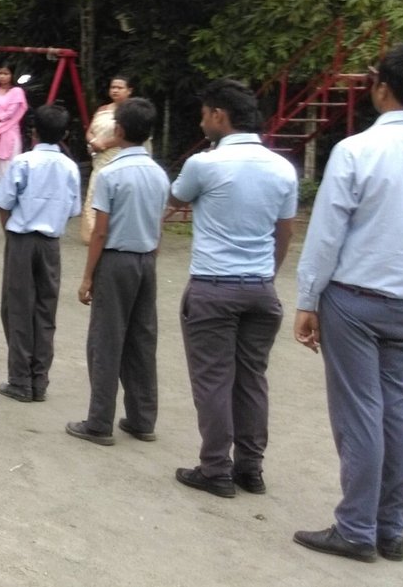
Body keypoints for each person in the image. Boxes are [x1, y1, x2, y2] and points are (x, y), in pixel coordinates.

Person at [290, 44, 403, 563]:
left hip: (354, 299)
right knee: (398, 410)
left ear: (382, 87)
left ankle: (356, 528)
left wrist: (308, 299)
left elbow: (326, 235)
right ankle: (392, 527)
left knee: (359, 413)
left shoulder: (357, 150)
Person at [169, 79, 297, 499]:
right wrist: (266, 275)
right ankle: (250, 468)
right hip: (260, 289)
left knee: (213, 380)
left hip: (213, 287)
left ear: (219, 116)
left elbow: (177, 198)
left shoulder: (204, 164)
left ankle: (215, 469)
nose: (201, 122)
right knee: (252, 380)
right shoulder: (282, 168)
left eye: (204, 115)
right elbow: (285, 232)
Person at [67, 98, 168, 445]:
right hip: (146, 260)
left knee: (105, 340)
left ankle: (99, 421)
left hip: (115, 261)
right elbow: (158, 223)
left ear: (119, 131)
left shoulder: (111, 174)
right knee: (142, 339)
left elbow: (100, 231)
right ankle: (142, 418)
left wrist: (88, 276)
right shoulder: (158, 174)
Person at [0, 105, 81, 403]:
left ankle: (20, 379)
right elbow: (73, 209)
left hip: (21, 238)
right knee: (45, 310)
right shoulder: (69, 167)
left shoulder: (23, 162)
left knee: (17, 308)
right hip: (50, 243)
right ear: (64, 134)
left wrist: (11, 233)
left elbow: (3, 203)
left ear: (33, 132)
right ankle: (39, 379)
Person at [81, 76, 136, 243]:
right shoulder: (102, 109)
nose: (115, 90)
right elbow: (89, 131)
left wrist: (104, 144)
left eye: (120, 87)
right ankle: (93, 231)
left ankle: (116, 231)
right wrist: (94, 142)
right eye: (113, 87)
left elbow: (128, 135)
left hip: (117, 155)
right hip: (99, 157)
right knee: (95, 191)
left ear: (129, 90)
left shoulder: (132, 111)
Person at [0, 64, 28, 181]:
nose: (2, 76)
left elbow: (9, 114)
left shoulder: (17, 92)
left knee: (7, 167)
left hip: (9, 131)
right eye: (0, 73)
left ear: (12, 75)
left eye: (6, 73)